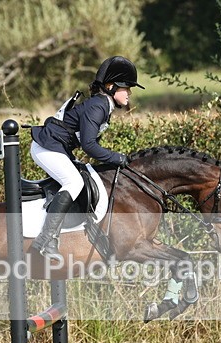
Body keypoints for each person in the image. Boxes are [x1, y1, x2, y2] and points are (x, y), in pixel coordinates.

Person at [29, 56, 145, 264]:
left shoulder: (103, 105)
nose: (129, 93)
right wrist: (117, 157)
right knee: (74, 182)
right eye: (125, 88)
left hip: (58, 148)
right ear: (110, 87)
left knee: (83, 177)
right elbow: (90, 146)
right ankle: (46, 240)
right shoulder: (98, 106)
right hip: (46, 147)